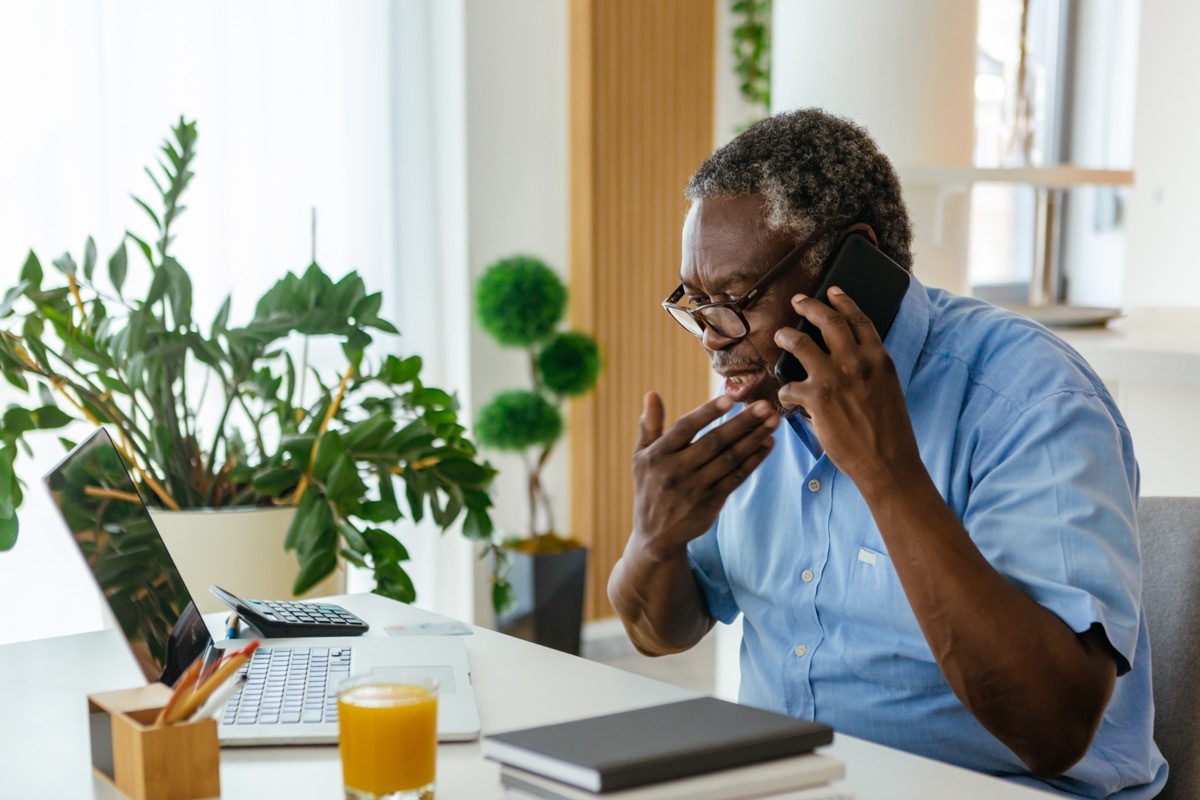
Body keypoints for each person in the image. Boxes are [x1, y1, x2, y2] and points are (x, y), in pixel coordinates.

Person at [607, 109, 1166, 799]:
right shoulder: (759, 391)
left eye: (734, 299)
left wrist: (886, 471)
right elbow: (664, 631)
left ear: (854, 268)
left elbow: (1052, 730)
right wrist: (655, 542)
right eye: (696, 301)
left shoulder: (1032, 399)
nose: (711, 336)